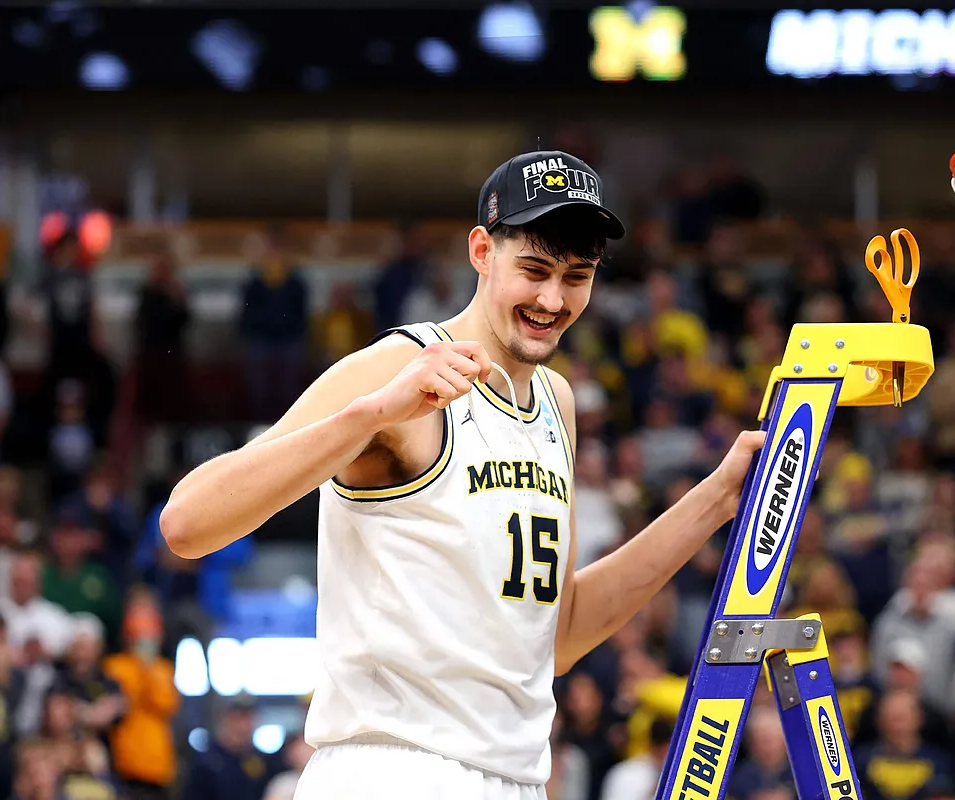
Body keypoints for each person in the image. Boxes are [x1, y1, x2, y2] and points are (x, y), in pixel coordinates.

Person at [159, 149, 767, 800]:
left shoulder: (557, 404)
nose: (552, 299)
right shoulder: (397, 364)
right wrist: (369, 417)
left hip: (515, 777)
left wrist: (716, 501)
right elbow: (187, 523)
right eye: (534, 270)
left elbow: (556, 637)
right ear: (482, 251)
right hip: (390, 772)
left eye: (576, 276)